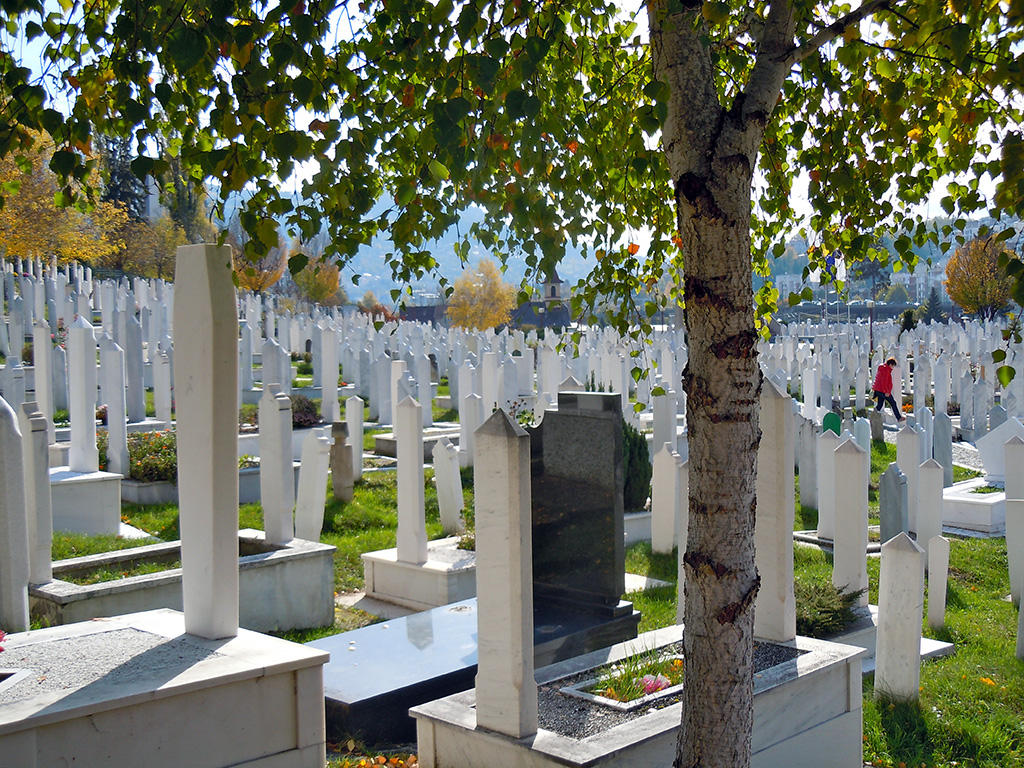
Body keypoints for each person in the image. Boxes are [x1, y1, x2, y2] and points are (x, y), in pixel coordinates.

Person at [872, 357, 903, 421]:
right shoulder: (886, 370)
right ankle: (899, 417)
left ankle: (872, 416)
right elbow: (884, 382)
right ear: (890, 364)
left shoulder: (883, 368)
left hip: (879, 390)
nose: (893, 368)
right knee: (893, 403)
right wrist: (886, 391)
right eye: (893, 366)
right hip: (883, 391)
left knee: (879, 405)